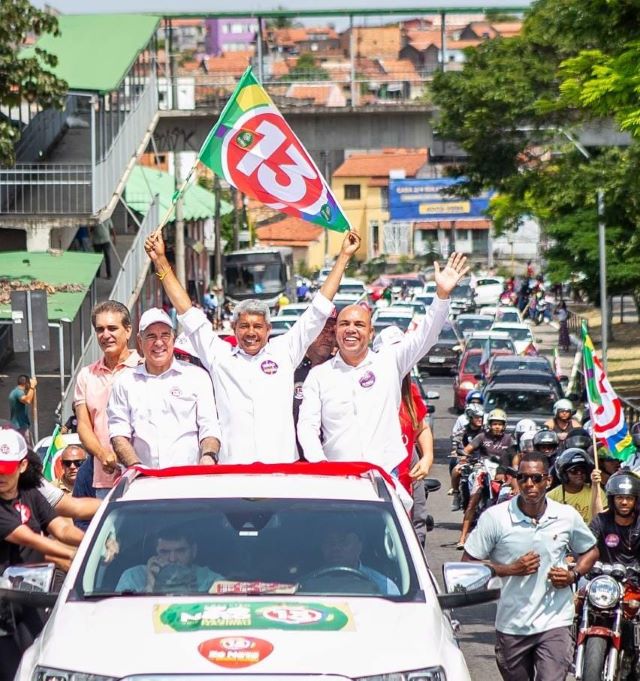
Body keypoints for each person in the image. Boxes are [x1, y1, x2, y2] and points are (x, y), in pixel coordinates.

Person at [144, 229, 361, 464]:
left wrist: (343, 257)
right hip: (233, 470)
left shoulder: (285, 350)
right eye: (244, 326)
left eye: (257, 326)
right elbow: (187, 312)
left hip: (281, 469)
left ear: (268, 329)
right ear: (234, 328)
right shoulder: (220, 355)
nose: (250, 333)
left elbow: (318, 309)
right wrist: (160, 260)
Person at [297, 253, 468, 473]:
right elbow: (307, 426)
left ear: (370, 332)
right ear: (336, 331)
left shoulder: (390, 361)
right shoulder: (319, 376)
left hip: (387, 473)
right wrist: (320, 464)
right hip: (338, 476)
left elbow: (426, 334)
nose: (351, 329)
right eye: (344, 324)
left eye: (359, 324)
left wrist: (442, 295)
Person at [463, 452, 599, 681]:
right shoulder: (495, 518)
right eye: (523, 477)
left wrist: (572, 575)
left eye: (536, 478)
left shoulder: (565, 515)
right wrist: (510, 569)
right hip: (512, 625)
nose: (529, 484)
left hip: (556, 621)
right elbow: (468, 565)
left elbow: (591, 550)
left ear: (548, 480)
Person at [0, 430, 85, 680]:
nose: (1, 475)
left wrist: (95, 540)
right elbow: (29, 538)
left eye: (7, 468)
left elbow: (61, 528)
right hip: (3, 603)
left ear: (23, 465)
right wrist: (80, 554)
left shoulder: (31, 495)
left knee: (37, 659)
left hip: (32, 596)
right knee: (9, 669)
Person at [108, 308, 221, 469]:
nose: (159, 343)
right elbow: (118, 433)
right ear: (140, 341)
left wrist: (208, 456)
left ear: (173, 338)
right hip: (142, 481)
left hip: (191, 478)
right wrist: (137, 469)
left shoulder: (197, 377)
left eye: (165, 335)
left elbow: (209, 427)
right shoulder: (124, 382)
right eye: (151, 336)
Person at [74, 300, 141, 499]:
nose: (106, 335)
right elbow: (84, 426)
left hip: (144, 475)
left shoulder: (144, 369)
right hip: (104, 478)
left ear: (128, 331)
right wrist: (103, 455)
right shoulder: (86, 376)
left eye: (112, 328)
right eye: (100, 329)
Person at [115, 528, 223, 593]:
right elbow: (122, 616)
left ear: (193, 551)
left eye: (180, 551)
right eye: (165, 552)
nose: (172, 559)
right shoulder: (133, 577)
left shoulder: (209, 581)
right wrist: (150, 585)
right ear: (155, 553)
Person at [292, 313, 337, 457]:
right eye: (322, 331)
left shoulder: (342, 370)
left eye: (332, 332)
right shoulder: (289, 369)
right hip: (294, 460)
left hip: (334, 461)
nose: (328, 338)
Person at [315, 526, 400, 596]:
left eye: (343, 541)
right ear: (322, 547)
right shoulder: (306, 585)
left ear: (359, 547)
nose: (335, 548)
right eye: (330, 542)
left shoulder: (384, 586)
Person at [589, 471, 640, 567]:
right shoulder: (600, 521)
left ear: (636, 501)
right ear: (612, 500)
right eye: (619, 497)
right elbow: (586, 545)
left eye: (629, 498)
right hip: (606, 579)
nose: (624, 502)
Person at [547, 447, 607, 523]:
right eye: (574, 471)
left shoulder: (596, 491)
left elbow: (602, 519)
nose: (579, 473)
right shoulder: (551, 497)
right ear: (564, 474)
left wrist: (595, 486)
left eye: (582, 470)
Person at [450, 403, 485, 511]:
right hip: (468, 460)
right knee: (455, 471)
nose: (479, 419)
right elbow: (456, 443)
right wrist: (458, 452)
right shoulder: (463, 432)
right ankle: (456, 495)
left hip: (484, 461)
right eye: (476, 417)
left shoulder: (486, 432)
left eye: (481, 417)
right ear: (470, 418)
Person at [8, 375, 36, 444]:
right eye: (29, 383)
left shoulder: (15, 392)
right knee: (26, 448)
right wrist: (32, 387)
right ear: (26, 383)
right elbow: (27, 400)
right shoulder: (18, 392)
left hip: (19, 426)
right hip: (20, 427)